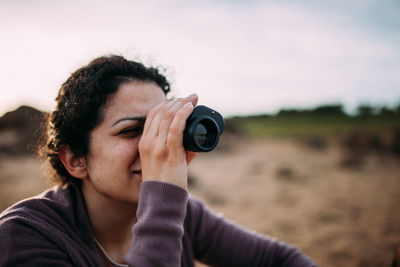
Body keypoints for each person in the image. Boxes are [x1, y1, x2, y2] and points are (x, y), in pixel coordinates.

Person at [0, 55, 318, 267]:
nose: (157, 144)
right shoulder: (23, 237)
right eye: (132, 131)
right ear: (75, 159)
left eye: (161, 127)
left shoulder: (184, 216)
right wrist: (163, 201)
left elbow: (280, 259)